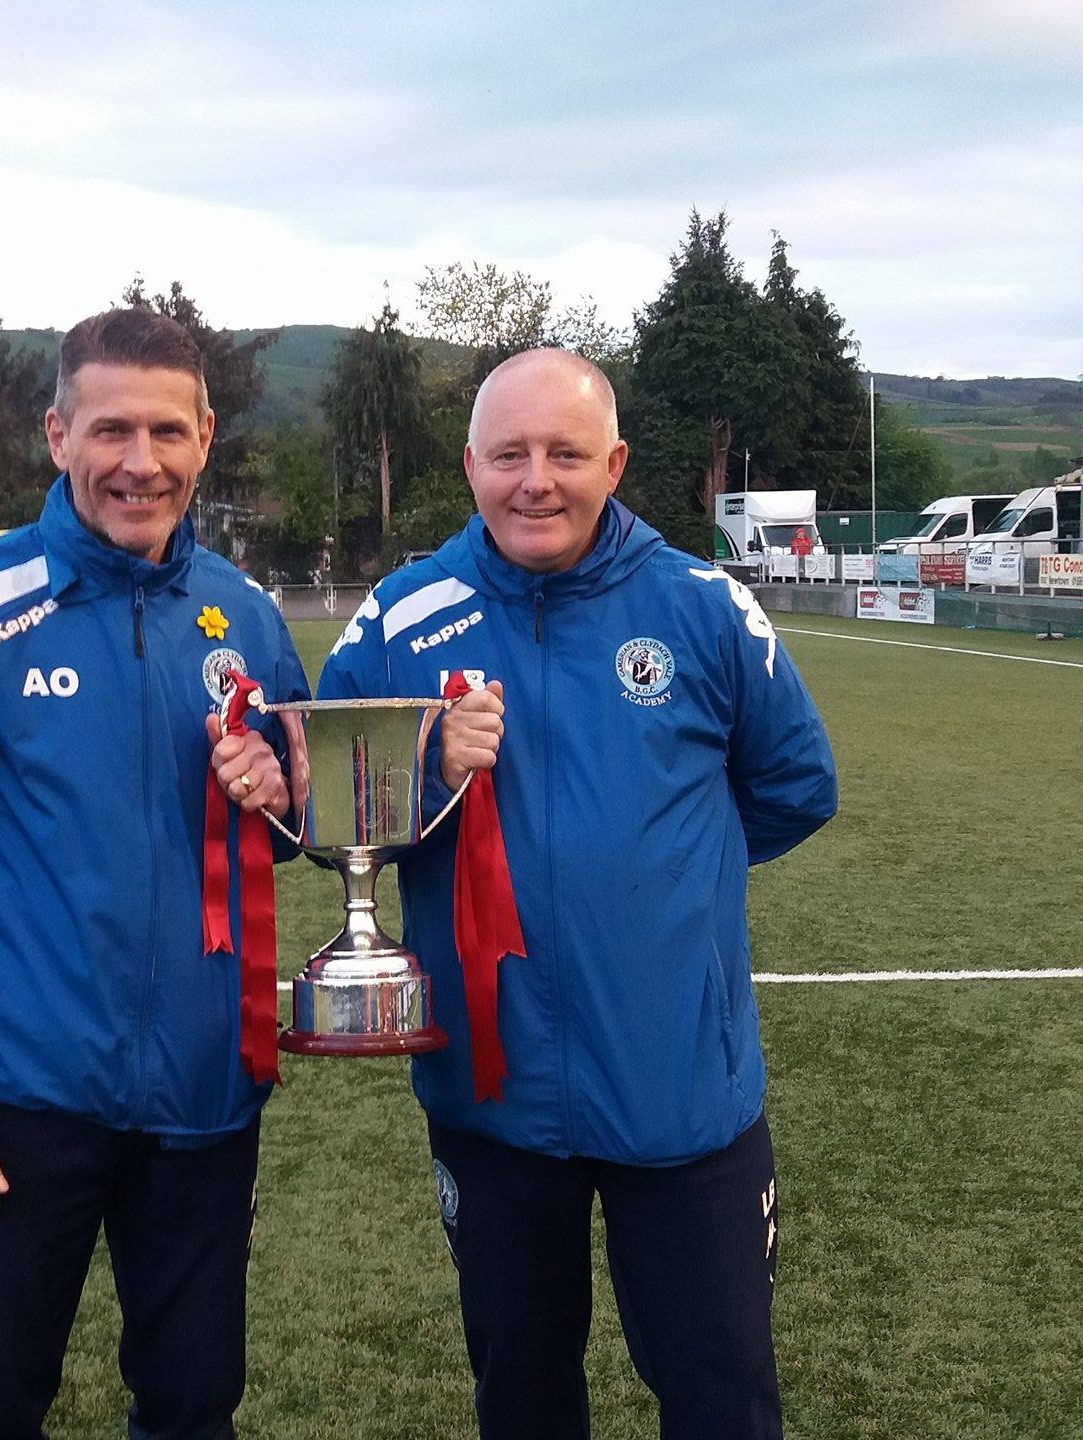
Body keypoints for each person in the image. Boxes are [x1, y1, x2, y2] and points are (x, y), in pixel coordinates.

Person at [317, 348, 837, 1440]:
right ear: (469, 465)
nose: (534, 480)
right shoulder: (401, 618)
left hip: (679, 1089)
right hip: (491, 1092)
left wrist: (661, 882)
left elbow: (796, 786)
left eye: (563, 454)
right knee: (521, 1397)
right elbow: (334, 815)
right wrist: (425, 774)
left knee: (719, 1396)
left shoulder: (701, 608)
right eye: (508, 454)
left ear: (614, 462)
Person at [0, 307, 309, 1440]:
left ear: (205, 436)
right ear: (57, 434)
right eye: (109, 430)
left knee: (194, 1408)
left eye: (164, 431)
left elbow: (294, 824)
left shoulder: (245, 617)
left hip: (203, 1101)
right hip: (17, 1103)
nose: (137, 463)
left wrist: (283, 795)